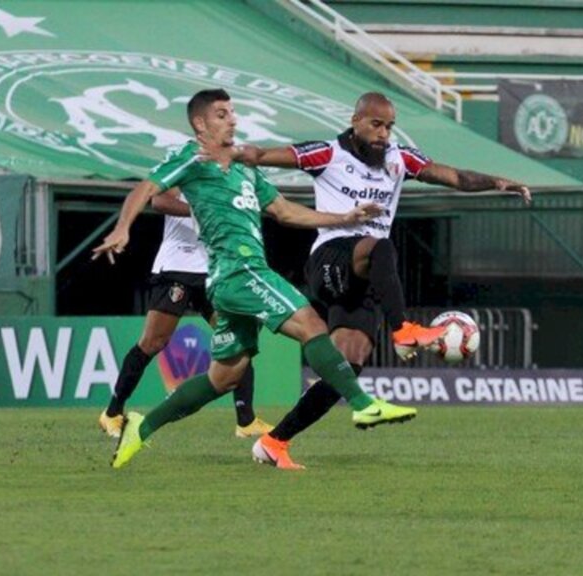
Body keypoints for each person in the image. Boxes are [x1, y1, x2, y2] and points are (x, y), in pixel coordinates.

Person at [93, 88, 416, 471]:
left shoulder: (246, 167)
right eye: (220, 114)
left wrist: (344, 219)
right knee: (311, 323)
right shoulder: (192, 158)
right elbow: (147, 189)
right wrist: (122, 229)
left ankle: (140, 428)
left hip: (229, 281)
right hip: (240, 270)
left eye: (232, 112)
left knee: (224, 377)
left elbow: (284, 211)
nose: (231, 119)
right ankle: (364, 405)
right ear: (200, 124)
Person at [225, 92, 531, 464]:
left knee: (347, 366)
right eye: (376, 124)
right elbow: (261, 156)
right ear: (355, 121)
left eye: (388, 126)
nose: (383, 134)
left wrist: (500, 182)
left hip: (366, 275)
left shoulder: (399, 159)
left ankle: (274, 443)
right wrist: (230, 153)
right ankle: (403, 329)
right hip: (330, 258)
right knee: (382, 246)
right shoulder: (327, 154)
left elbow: (454, 177)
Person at [98, 188, 272, 440]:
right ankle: (112, 413)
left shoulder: (224, 174)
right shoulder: (185, 166)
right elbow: (158, 201)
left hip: (212, 269)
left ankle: (246, 421)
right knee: (153, 342)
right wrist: (201, 209)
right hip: (177, 267)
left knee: (238, 339)